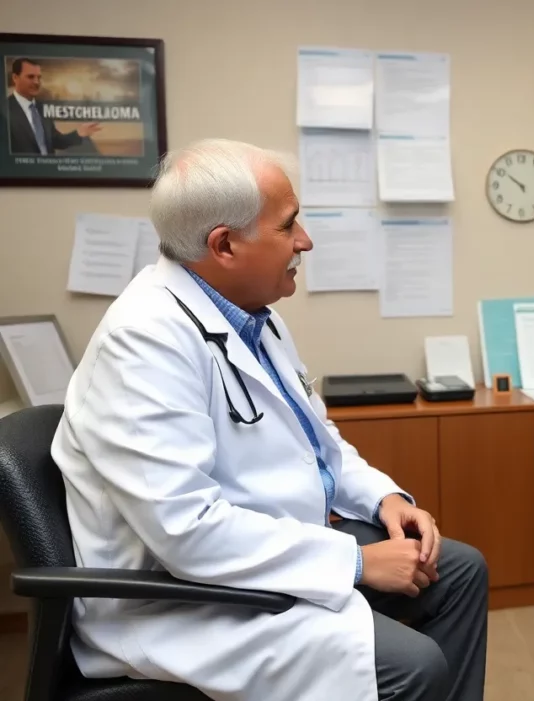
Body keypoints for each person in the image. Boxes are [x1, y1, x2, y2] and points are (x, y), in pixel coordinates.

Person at [51, 138, 488, 701]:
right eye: (289, 226)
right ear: (225, 245)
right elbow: (185, 531)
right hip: (183, 598)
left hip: (264, 551)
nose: (305, 241)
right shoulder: (143, 340)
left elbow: (319, 445)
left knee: (458, 571)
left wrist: (386, 500)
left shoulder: (255, 320)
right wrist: (357, 561)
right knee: (413, 665)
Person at [6, 57, 102, 155]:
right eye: (30, 77)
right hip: (22, 169)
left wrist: (79, 133)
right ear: (15, 78)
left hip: (49, 167)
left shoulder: (42, 108)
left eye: (39, 77)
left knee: (87, 146)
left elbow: (55, 140)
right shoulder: (5, 109)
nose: (36, 82)